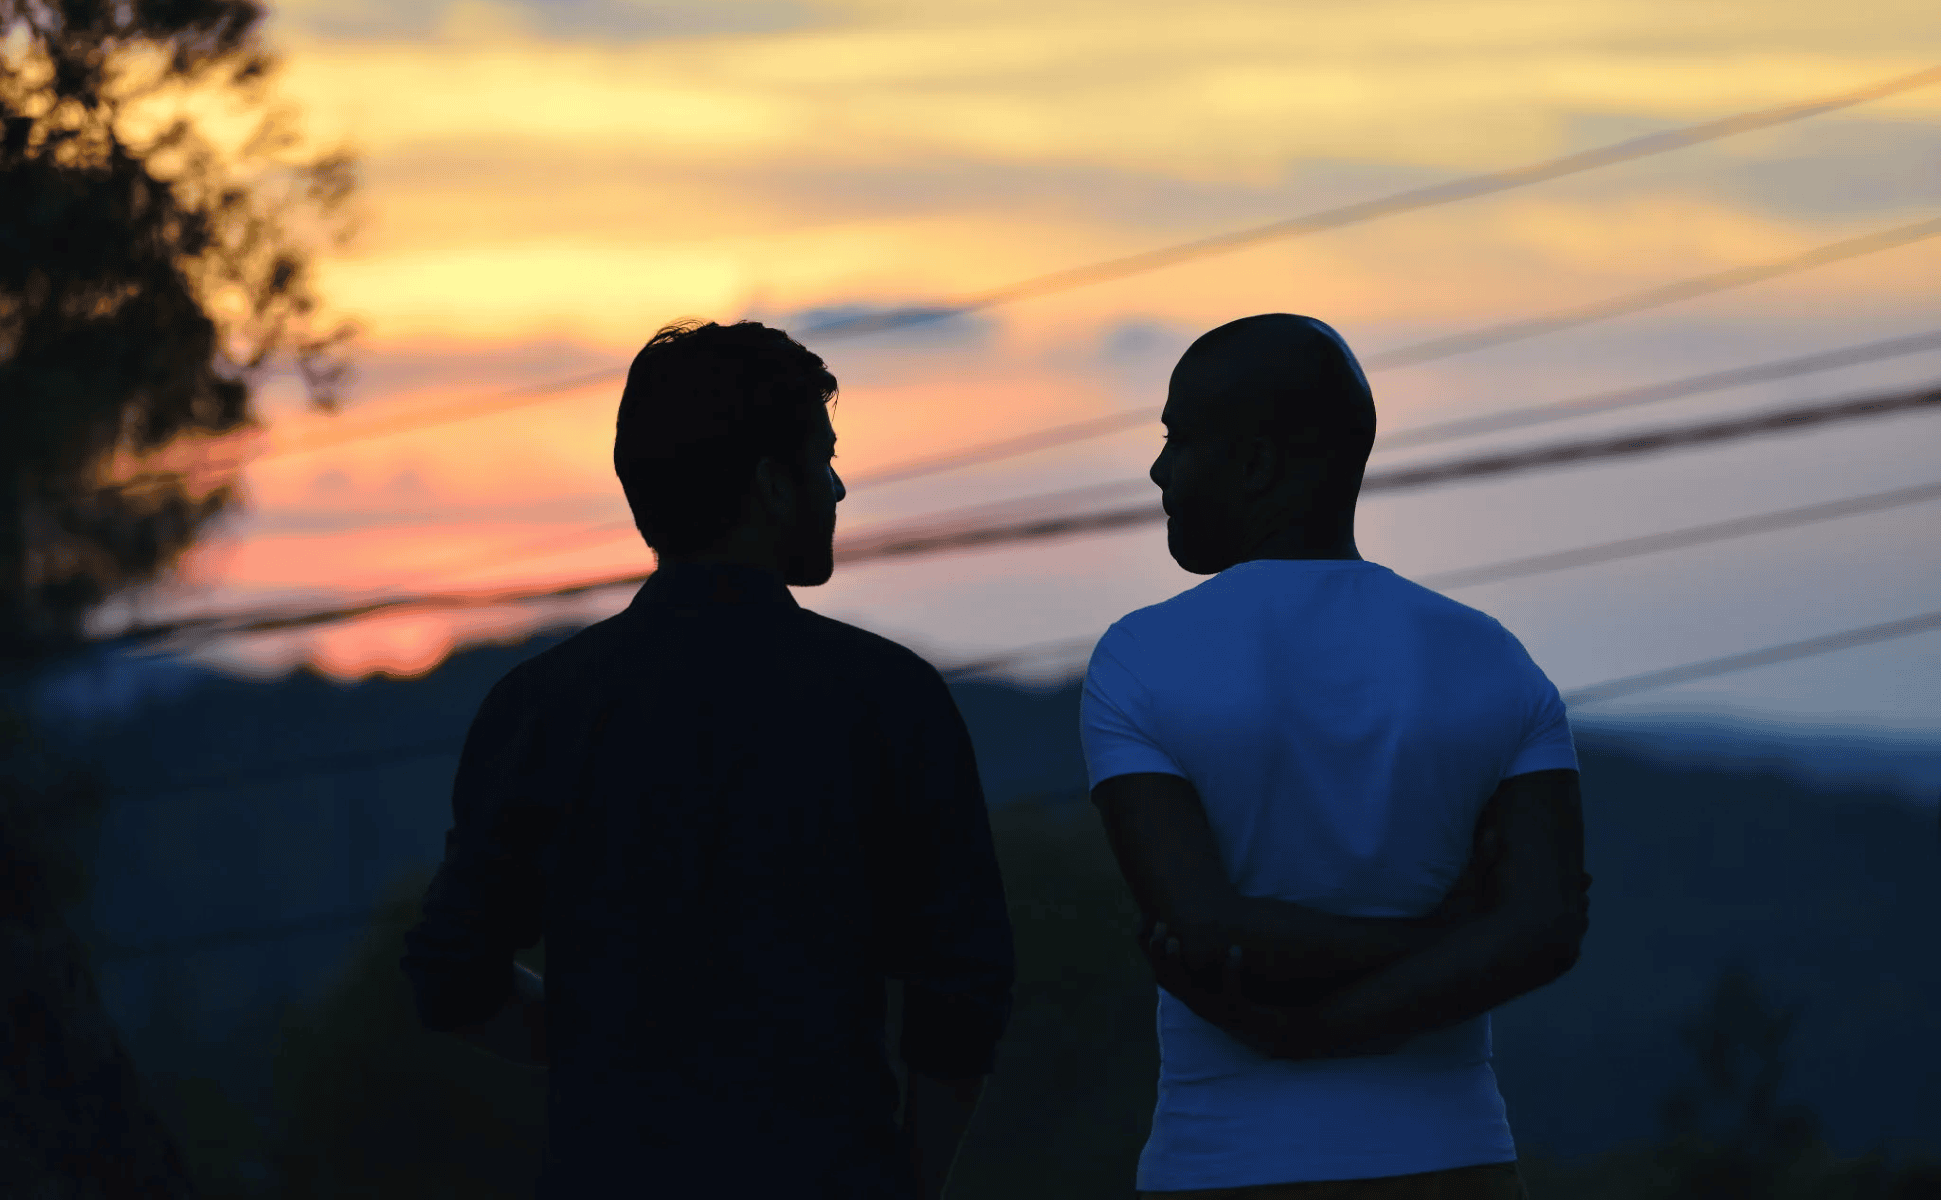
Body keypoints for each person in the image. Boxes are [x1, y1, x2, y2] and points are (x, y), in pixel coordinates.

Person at [398, 319, 1015, 1200]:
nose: (838, 488)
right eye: (823, 459)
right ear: (769, 485)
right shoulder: (885, 698)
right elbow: (961, 996)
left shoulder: (540, 706)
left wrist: (611, 1060)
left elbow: (451, 976)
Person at [1081, 313, 1591, 1200]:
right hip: (1455, 1161)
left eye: (1178, 439)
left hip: (1227, 1165)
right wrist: (1457, 938)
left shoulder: (1142, 656)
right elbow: (1540, 929)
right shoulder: (1488, 656)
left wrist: (1301, 1035)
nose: (1160, 471)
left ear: (1255, 464)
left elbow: (1202, 928)